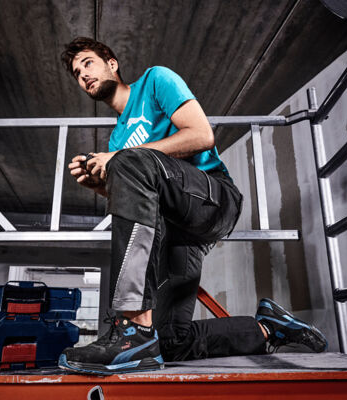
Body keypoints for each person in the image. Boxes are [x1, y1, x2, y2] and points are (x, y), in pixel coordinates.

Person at [58, 37, 327, 375]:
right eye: (76, 73)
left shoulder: (156, 80)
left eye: (87, 63)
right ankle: (267, 328)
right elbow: (134, 203)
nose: (83, 75)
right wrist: (99, 187)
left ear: (111, 63)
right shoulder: (117, 139)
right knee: (169, 342)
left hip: (213, 199)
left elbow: (201, 135)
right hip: (177, 236)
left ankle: (132, 327)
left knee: (129, 162)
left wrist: (119, 160)